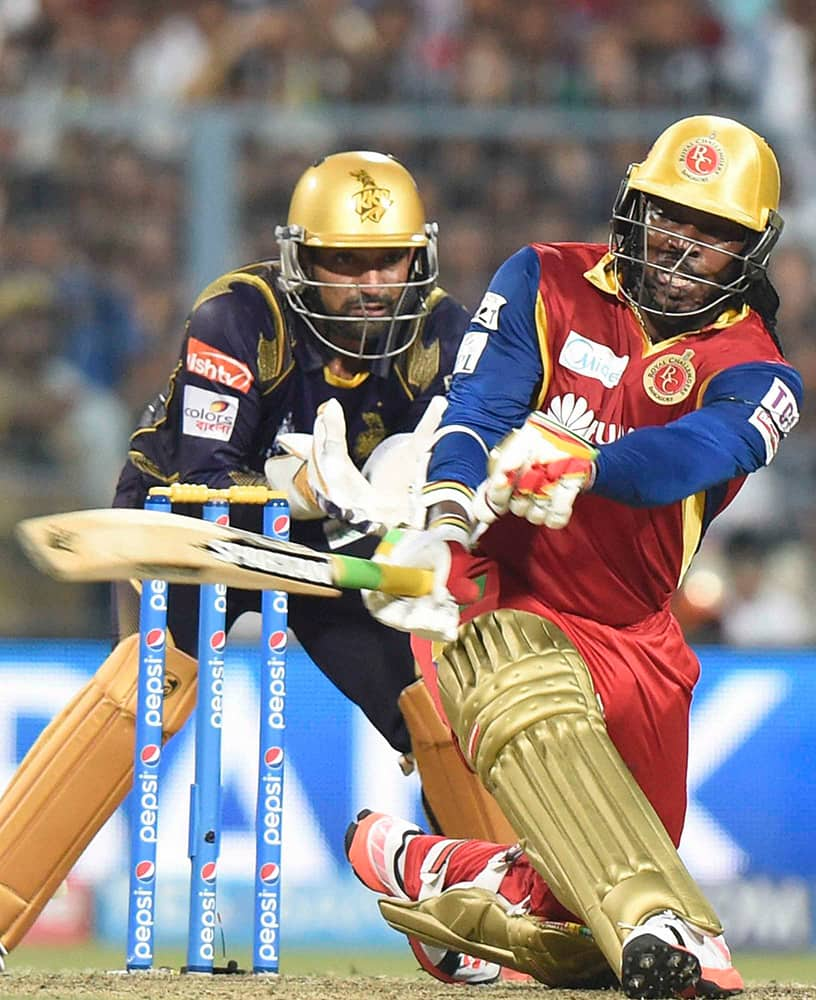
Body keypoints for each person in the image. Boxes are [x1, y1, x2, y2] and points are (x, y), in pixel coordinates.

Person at [344, 116, 801, 998]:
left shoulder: (760, 372)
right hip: (498, 598)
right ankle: (664, 919)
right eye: (670, 217)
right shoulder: (544, 278)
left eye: (712, 233)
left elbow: (696, 454)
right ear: (633, 206)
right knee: (535, 708)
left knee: (588, 934)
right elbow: (479, 404)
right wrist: (445, 507)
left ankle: (438, 868)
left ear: (750, 253)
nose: (681, 246)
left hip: (635, 637)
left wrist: (590, 465)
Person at [0, 151, 472, 963]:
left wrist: (405, 513)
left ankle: (486, 918)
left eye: (385, 261)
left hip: (342, 543)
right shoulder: (240, 315)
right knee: (147, 693)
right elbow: (208, 471)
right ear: (301, 260)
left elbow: (459, 467)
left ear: (417, 258)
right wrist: (297, 487)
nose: (368, 284)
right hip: (190, 514)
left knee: (440, 708)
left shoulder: (446, 333)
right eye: (343, 262)